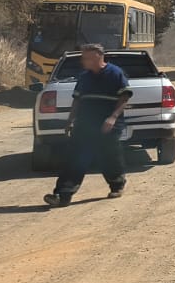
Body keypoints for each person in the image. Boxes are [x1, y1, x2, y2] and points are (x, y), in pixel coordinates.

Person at [44, 44, 131, 208]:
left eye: (86, 57)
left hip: (108, 124)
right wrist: (70, 120)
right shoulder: (84, 77)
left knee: (109, 157)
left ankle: (117, 184)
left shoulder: (115, 74)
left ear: (98, 56)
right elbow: (77, 100)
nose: (83, 61)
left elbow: (124, 98)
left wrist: (112, 117)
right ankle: (62, 194)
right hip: (85, 123)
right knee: (75, 158)